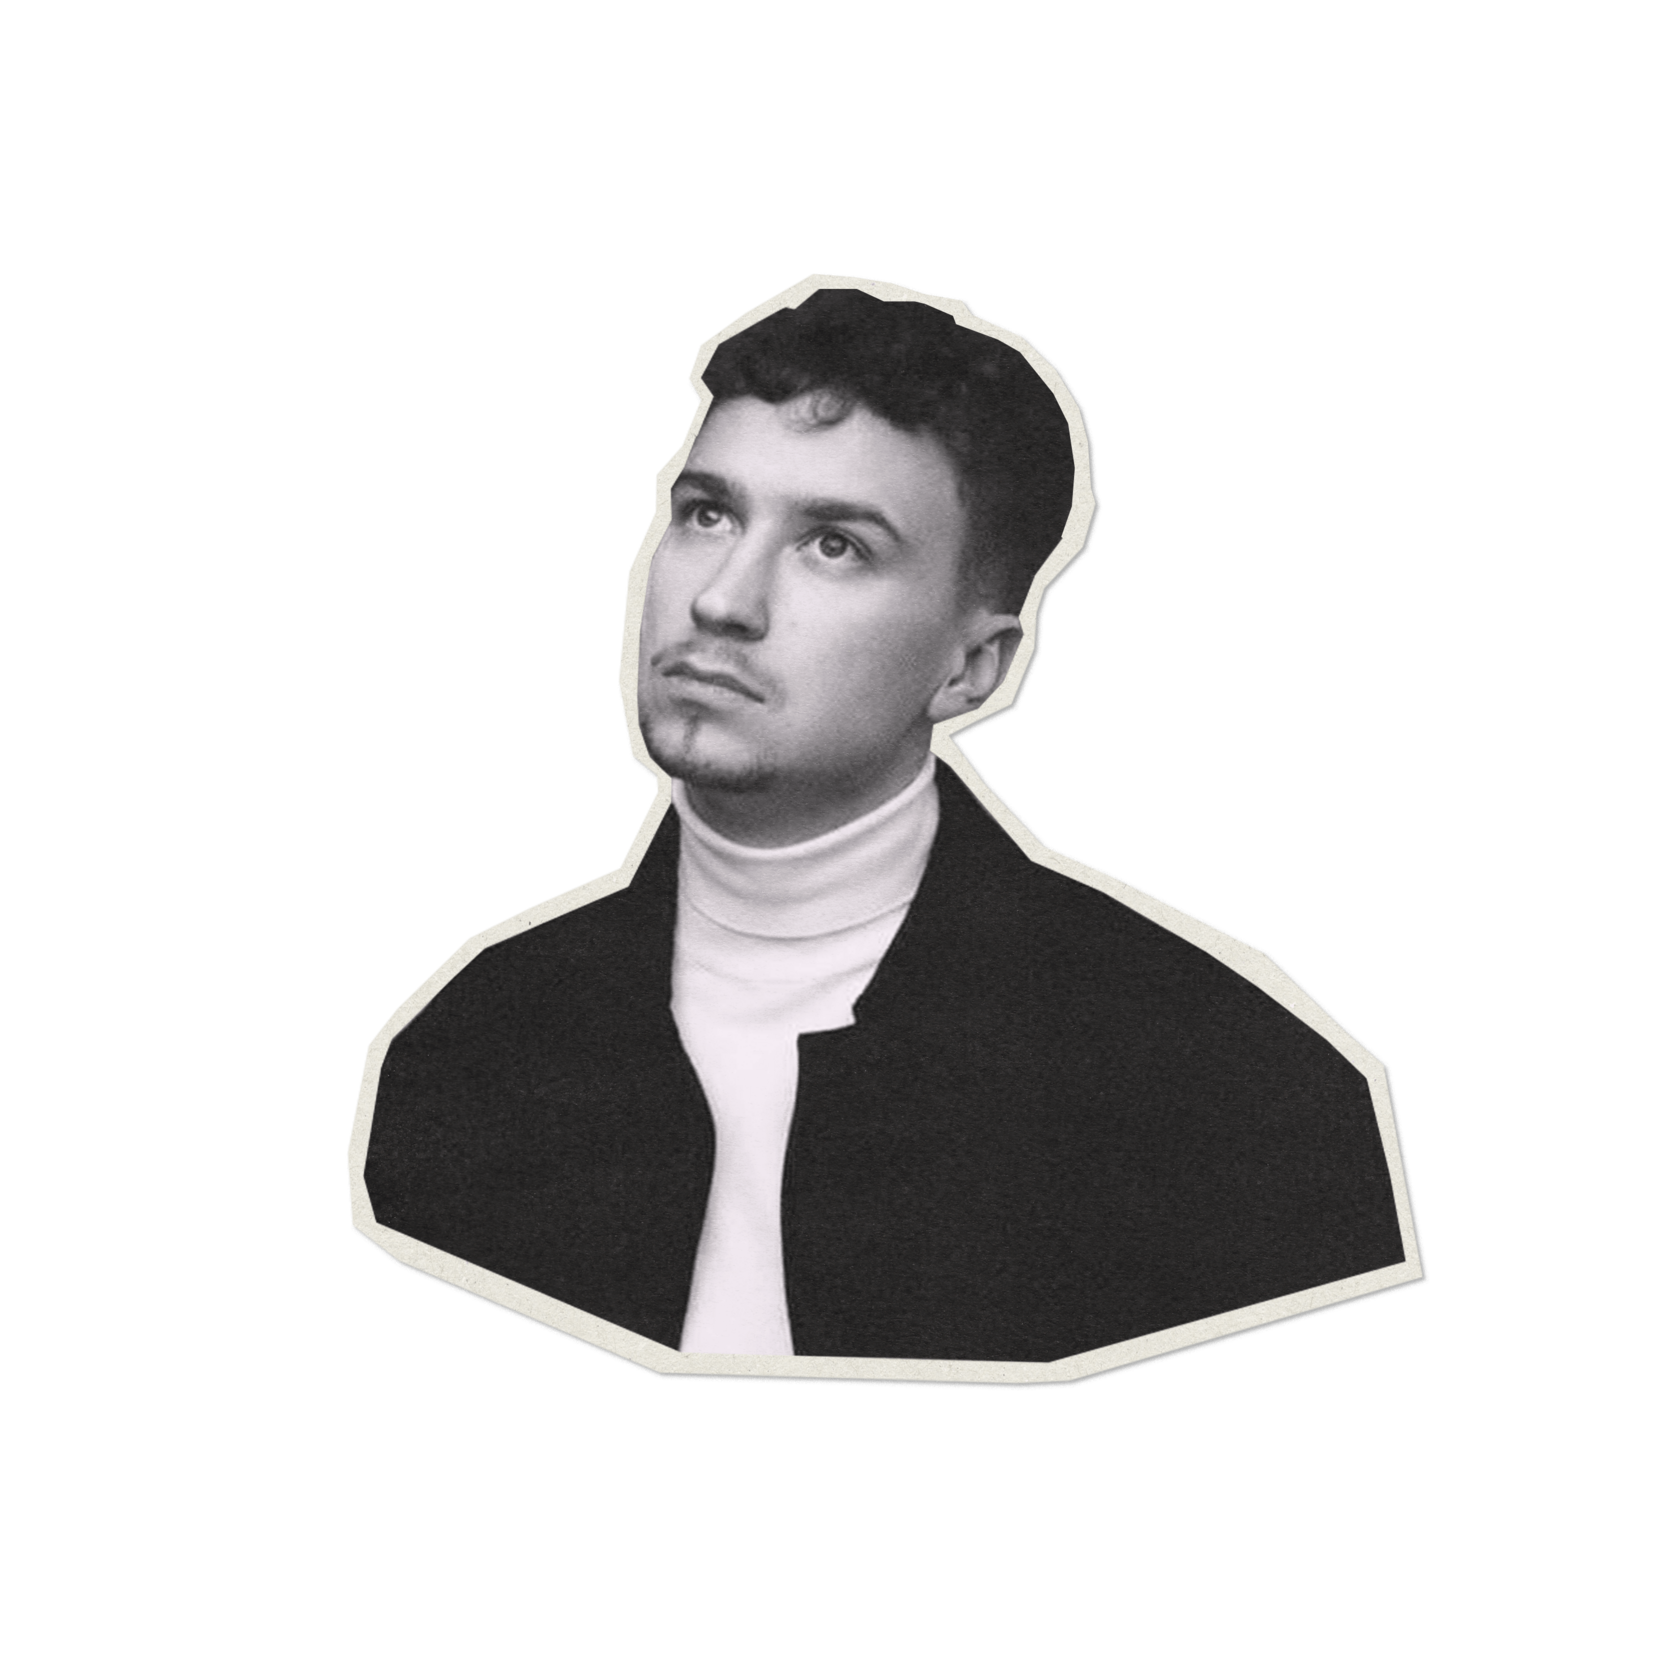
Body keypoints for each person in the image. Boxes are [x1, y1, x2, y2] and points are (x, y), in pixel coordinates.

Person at [359, 285, 1408, 1365]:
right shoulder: (470, 1047)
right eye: (708, 513)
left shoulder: (1231, 1089)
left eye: (835, 545)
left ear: (973, 665)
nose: (722, 600)